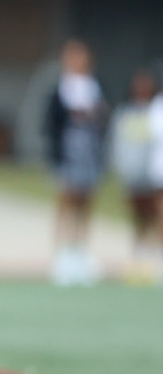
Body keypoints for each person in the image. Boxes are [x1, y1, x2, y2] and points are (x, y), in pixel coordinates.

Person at [43, 39, 108, 287]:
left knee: (85, 201)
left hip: (88, 151)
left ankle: (82, 251)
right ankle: (61, 252)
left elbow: (104, 118)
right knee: (66, 199)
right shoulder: (59, 88)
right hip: (67, 152)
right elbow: (51, 122)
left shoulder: (95, 87)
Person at [110, 68, 159, 282]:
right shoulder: (125, 113)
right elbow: (118, 143)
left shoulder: (156, 111)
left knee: (155, 214)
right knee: (137, 215)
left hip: (153, 174)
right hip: (133, 174)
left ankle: (155, 254)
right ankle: (139, 253)